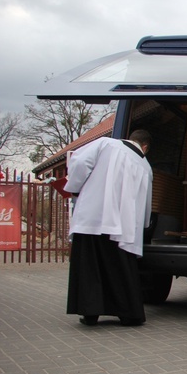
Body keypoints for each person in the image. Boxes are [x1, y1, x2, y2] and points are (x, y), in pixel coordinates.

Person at [65, 129, 153, 326]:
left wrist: (76, 187)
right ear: (145, 147)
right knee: (120, 268)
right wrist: (144, 226)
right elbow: (147, 203)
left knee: (90, 265)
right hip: (124, 225)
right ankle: (129, 314)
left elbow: (79, 162)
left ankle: (90, 312)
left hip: (93, 216)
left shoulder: (106, 144)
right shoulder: (145, 166)